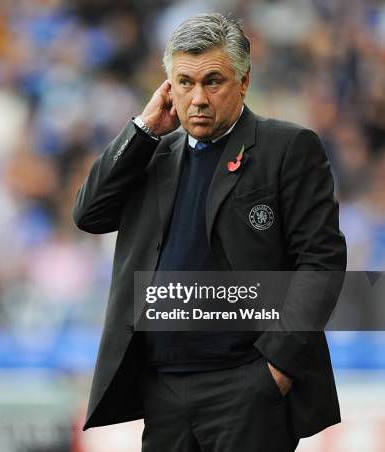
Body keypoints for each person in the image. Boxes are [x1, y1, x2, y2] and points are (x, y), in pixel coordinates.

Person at [72, 13, 347, 452]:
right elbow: (89, 214)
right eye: (184, 83)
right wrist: (142, 130)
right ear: (167, 87)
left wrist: (276, 368)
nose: (197, 98)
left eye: (213, 81)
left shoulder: (288, 148)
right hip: (163, 389)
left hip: (247, 384)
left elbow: (321, 263)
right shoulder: (151, 154)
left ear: (243, 81)